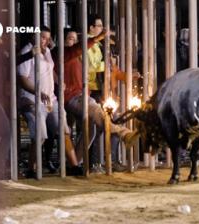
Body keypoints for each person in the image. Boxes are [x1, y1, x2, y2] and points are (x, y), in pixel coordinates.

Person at [58, 28, 139, 172]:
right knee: (97, 113)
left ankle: (74, 164)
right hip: (72, 97)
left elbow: (113, 71)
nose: (73, 41)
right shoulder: (62, 54)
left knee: (91, 131)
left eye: (74, 39)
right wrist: (97, 38)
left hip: (82, 95)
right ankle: (123, 134)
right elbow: (85, 59)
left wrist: (128, 75)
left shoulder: (78, 57)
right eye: (70, 38)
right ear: (62, 40)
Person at [17, 26, 81, 178]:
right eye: (43, 37)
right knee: (40, 135)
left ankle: (74, 165)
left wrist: (59, 82)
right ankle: (32, 168)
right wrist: (38, 91)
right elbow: (23, 80)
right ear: (34, 36)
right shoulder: (27, 52)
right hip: (31, 99)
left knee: (64, 130)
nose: (46, 41)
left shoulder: (46, 51)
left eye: (48, 37)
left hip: (51, 99)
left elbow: (50, 70)